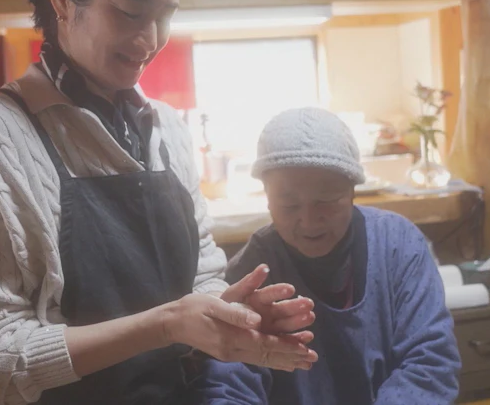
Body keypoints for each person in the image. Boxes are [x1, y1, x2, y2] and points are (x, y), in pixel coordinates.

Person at [0, 0, 317, 405]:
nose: (149, 40)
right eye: (131, 11)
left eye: (165, 16)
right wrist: (167, 324)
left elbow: (200, 277)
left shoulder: (167, 130)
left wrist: (231, 314)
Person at [194, 107, 461, 404]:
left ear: (353, 192)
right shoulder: (253, 271)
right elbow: (228, 382)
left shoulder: (399, 245)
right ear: (267, 197)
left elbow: (429, 362)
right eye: (289, 205)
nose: (309, 221)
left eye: (327, 200)